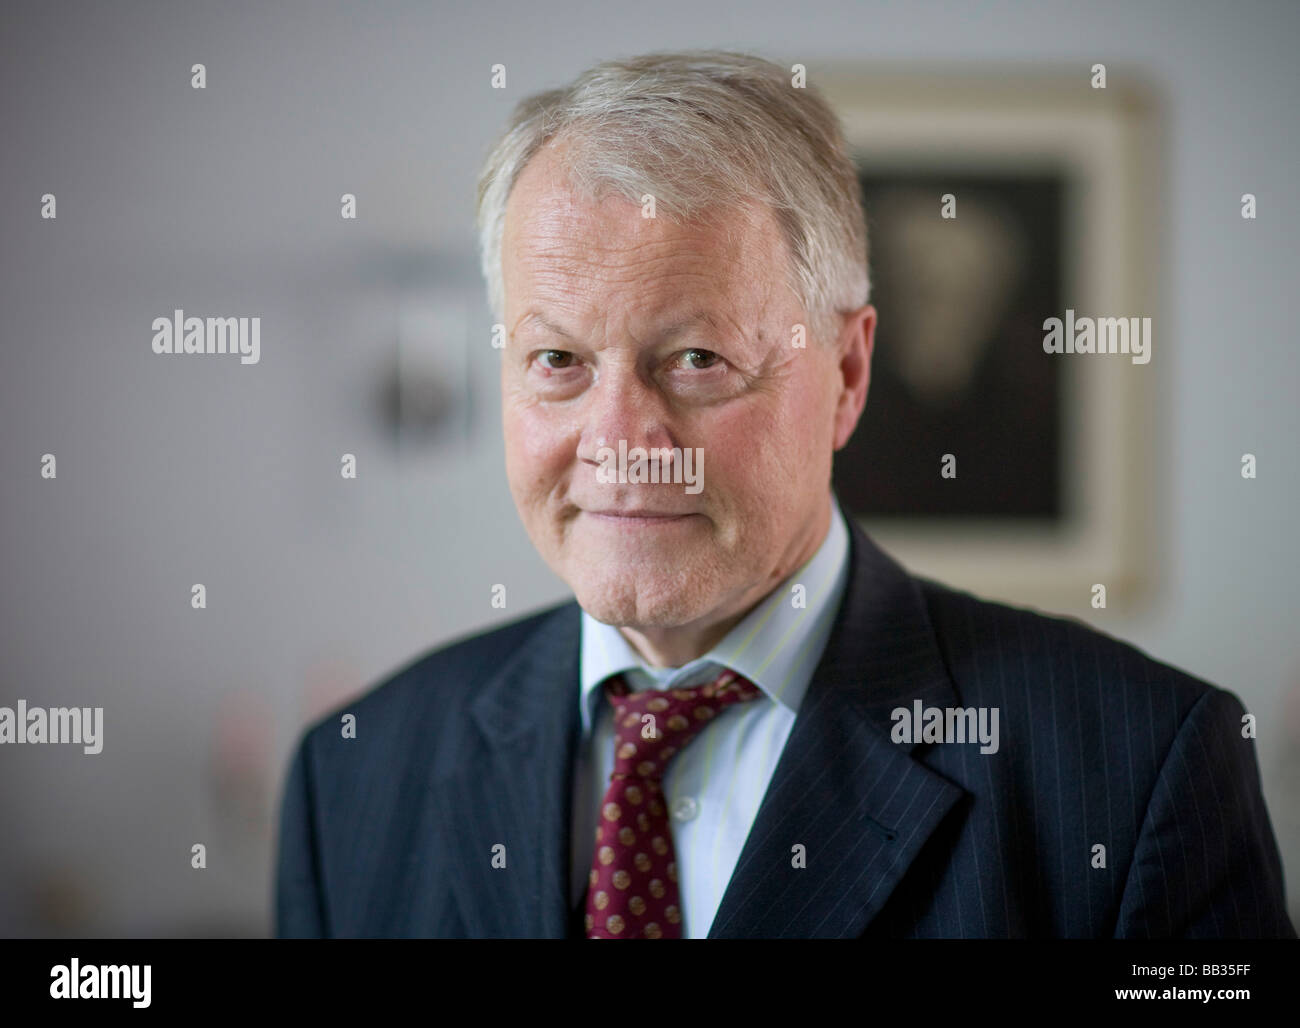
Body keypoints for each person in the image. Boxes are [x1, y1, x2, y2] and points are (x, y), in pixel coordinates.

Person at [275, 49, 1295, 939]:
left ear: (847, 374)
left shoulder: (1138, 768)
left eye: (697, 357)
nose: (622, 441)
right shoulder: (352, 778)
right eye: (557, 358)